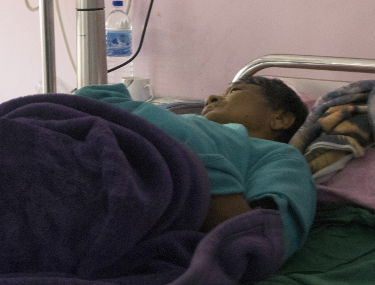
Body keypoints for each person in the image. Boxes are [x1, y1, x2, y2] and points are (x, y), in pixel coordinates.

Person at [76, 76, 315, 260]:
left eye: (234, 91)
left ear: (281, 118)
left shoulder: (279, 155)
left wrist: (188, 148)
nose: (210, 97)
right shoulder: (183, 123)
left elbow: (262, 238)